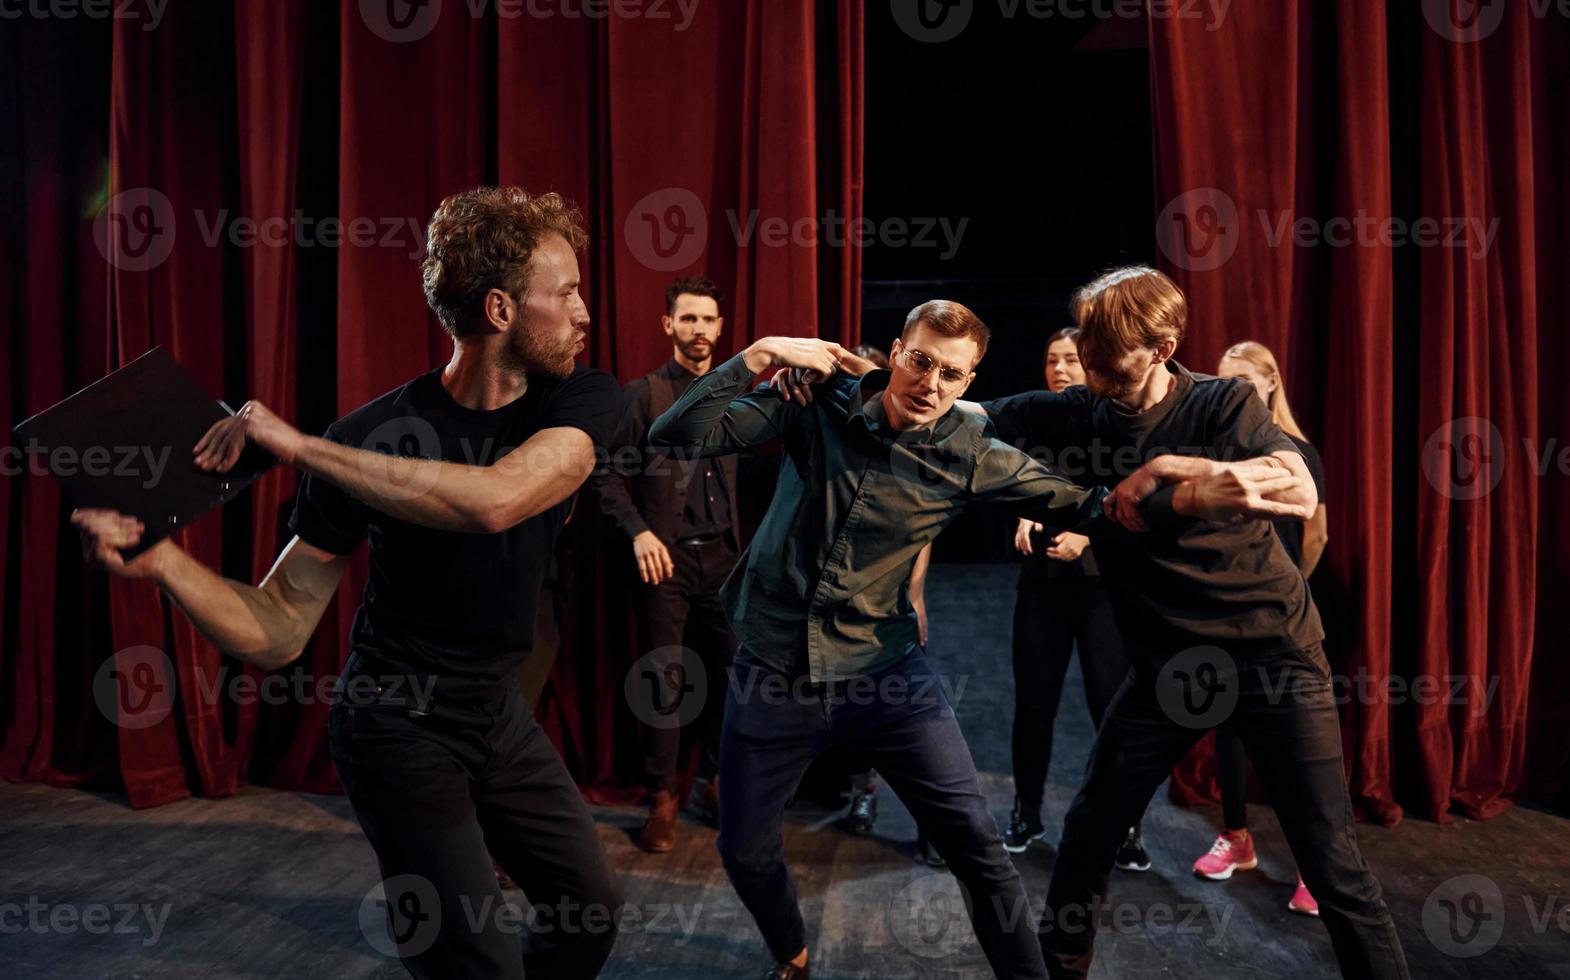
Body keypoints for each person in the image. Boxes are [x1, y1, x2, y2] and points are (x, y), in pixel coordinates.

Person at [649, 300, 1301, 980]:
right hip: (774, 667)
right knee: (743, 848)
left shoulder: (972, 455)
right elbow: (676, 433)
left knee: (979, 849)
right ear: (898, 352)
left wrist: (1195, 496)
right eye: (922, 361)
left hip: (885, 672)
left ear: (969, 382)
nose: (931, 383)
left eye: (952, 374)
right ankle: (792, 949)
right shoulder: (817, 399)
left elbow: (1092, 505)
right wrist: (760, 355)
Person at [73, 187, 625, 979]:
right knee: (477, 964)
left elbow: (498, 500)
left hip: (495, 713)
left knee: (592, 913)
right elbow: (278, 628)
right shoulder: (368, 435)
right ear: (501, 308)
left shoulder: (577, 398)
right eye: (566, 291)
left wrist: (300, 449)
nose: (584, 311)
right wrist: (164, 564)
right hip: (395, 726)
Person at [966, 266, 1407, 980]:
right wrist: (867, 382)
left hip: (1273, 656)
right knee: (1087, 836)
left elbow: (1297, 487)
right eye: (1088, 341)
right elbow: (970, 414)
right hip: (1169, 667)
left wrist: (1170, 468)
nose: (1091, 358)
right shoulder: (1082, 411)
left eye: (1108, 347)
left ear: (1163, 345)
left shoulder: (1221, 405)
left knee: (1333, 867)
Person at [590, 275, 742, 852]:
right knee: (667, 682)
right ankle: (662, 798)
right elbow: (604, 470)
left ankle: (719, 784)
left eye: (707, 319)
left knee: (734, 680)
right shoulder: (645, 394)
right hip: (666, 565)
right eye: (688, 319)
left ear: (720, 327)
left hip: (726, 563)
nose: (699, 329)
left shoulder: (735, 394)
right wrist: (638, 533)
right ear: (668, 325)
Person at [1191, 340, 1329, 916]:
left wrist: (1288, 586)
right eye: (1223, 381)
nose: (1233, 392)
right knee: (1230, 729)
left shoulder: (1296, 453)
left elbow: (1315, 537)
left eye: (1244, 380)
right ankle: (1238, 840)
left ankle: (1313, 868)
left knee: (1298, 745)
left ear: (1271, 383)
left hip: (1285, 625)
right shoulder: (1219, 456)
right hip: (1226, 619)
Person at [1002, 328, 1146, 874]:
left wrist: (1091, 533)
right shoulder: (1041, 419)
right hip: (1043, 584)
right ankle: (1026, 811)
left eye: (1070, 359)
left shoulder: (1118, 420)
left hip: (1103, 588)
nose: (1059, 368)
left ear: (1092, 365)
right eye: (1050, 359)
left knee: (1110, 710)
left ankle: (1126, 825)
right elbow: (1020, 481)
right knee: (1033, 705)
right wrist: (1025, 509)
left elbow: (1135, 499)